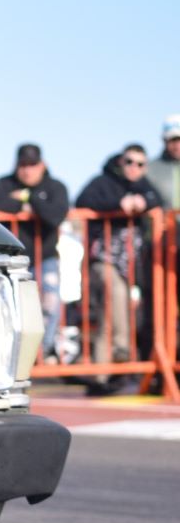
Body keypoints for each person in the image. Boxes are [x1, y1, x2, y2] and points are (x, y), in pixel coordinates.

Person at [75, 145, 164, 393]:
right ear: (120, 162)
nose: (134, 168)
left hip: (132, 262)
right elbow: (83, 201)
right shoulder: (103, 181)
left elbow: (158, 199)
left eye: (140, 164)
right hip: (105, 259)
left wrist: (142, 200)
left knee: (119, 313)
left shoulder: (142, 184)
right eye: (129, 162)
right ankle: (110, 367)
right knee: (114, 305)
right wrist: (118, 203)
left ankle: (112, 370)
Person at [0, 144, 68, 357]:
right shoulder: (4, 183)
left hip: (46, 257)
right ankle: (13, 355)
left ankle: (42, 353)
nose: (27, 170)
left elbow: (55, 215)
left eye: (32, 165)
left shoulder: (55, 186)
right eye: (23, 165)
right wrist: (27, 206)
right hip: (13, 259)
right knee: (11, 306)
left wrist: (27, 198)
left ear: (42, 165)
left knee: (50, 302)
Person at [155, 114, 180, 210]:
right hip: (163, 224)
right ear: (164, 141)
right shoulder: (149, 169)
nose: (177, 146)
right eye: (173, 140)